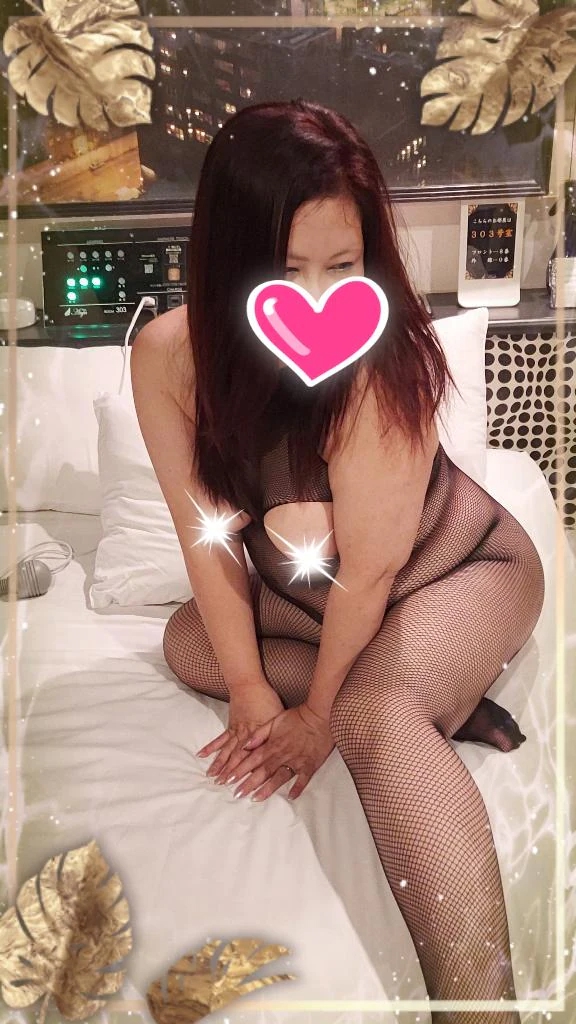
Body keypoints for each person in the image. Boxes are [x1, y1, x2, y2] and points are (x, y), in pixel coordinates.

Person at [130, 99, 545, 1024]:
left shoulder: (381, 359)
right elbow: (206, 533)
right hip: (319, 600)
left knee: (370, 713)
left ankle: (484, 1014)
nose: (319, 299)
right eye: (287, 272)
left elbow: (372, 572)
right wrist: (248, 688)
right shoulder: (169, 357)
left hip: (458, 571)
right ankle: (439, 696)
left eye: (344, 267)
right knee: (190, 643)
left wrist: (318, 712)